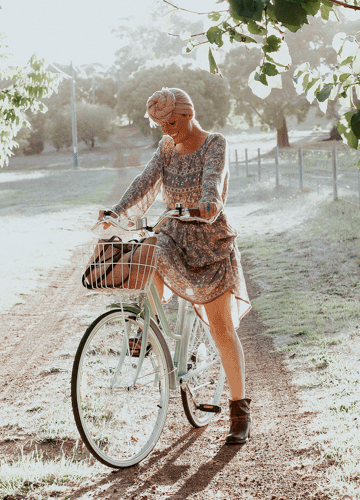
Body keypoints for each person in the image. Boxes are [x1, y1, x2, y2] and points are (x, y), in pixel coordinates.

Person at [99, 87, 252, 444]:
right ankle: (148, 325)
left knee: (221, 328)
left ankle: (240, 410)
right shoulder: (166, 147)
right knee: (149, 244)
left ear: (187, 113)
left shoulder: (215, 142)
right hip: (173, 232)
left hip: (209, 242)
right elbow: (145, 181)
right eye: (159, 125)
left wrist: (208, 205)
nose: (167, 130)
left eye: (171, 122)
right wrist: (118, 211)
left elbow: (213, 180)